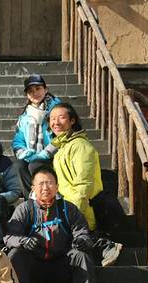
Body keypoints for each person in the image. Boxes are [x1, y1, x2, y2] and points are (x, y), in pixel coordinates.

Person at [4, 166, 98, 283]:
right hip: (35, 268)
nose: (45, 187)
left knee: (81, 256)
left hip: (62, 266)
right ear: (33, 188)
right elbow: (9, 236)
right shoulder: (25, 209)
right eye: (40, 184)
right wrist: (23, 241)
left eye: (49, 183)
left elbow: (83, 232)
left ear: (57, 186)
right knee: (15, 255)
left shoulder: (68, 209)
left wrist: (82, 240)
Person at [49, 103, 122, 267]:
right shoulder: (63, 148)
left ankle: (104, 245)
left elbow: (83, 186)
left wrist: (72, 214)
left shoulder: (80, 146)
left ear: (72, 120)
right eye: (52, 119)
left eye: (61, 117)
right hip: (71, 206)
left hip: (84, 207)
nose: (56, 122)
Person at [12, 75, 62, 198]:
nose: (35, 93)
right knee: (19, 165)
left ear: (46, 89)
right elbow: (18, 139)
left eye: (38, 89)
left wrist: (44, 154)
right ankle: (30, 200)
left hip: (53, 155)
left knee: (34, 165)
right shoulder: (24, 116)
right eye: (30, 91)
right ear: (27, 95)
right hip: (32, 156)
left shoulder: (57, 109)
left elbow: (62, 136)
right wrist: (23, 152)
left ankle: (46, 197)